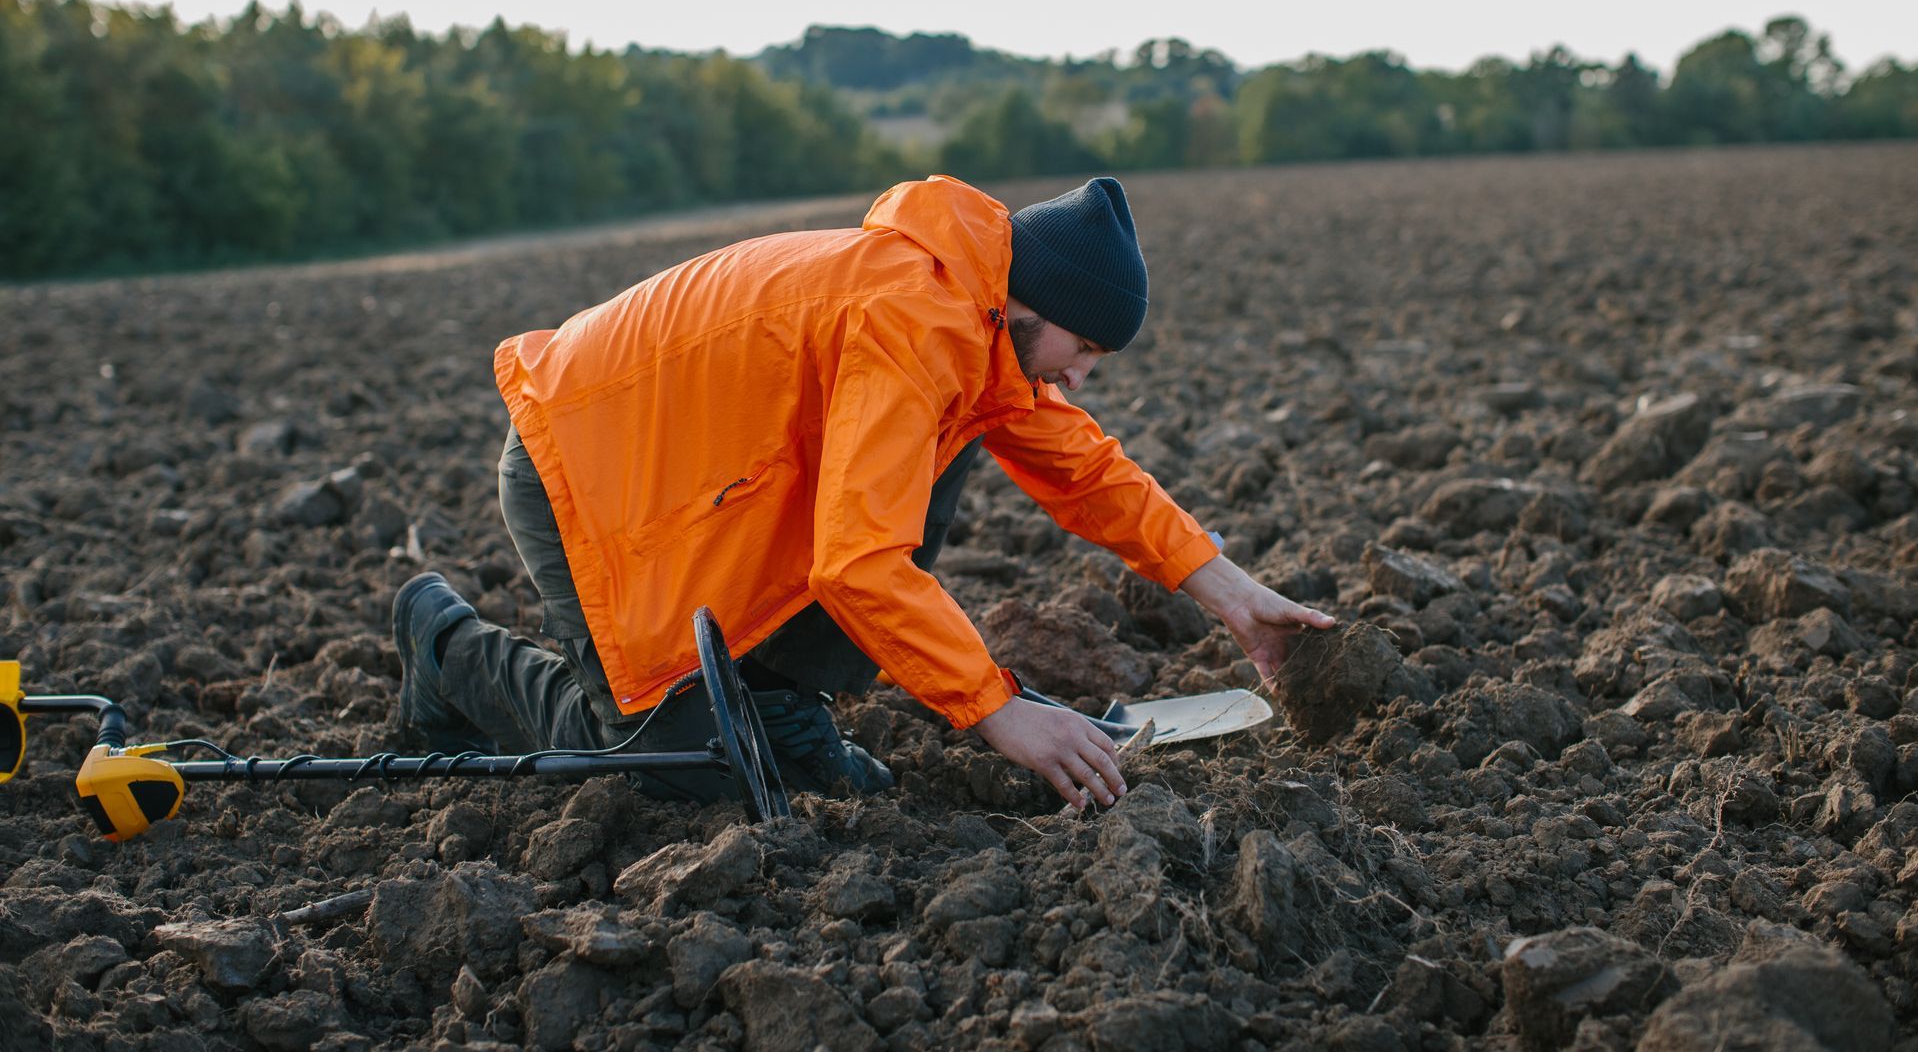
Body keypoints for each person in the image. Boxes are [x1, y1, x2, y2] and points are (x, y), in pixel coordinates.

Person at [391, 175, 1334, 810]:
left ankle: (777, 695)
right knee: (677, 766)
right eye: (1084, 351)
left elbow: (1091, 474)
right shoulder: (913, 321)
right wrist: (1000, 710)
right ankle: (445, 645)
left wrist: (1241, 603)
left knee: (938, 452)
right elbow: (856, 558)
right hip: (585, 467)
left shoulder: (979, 326)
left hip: (706, 476)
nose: (1083, 377)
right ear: (1032, 306)